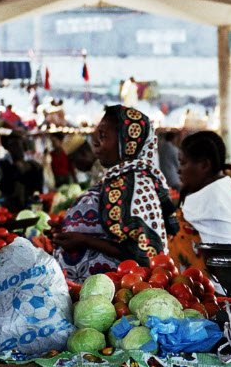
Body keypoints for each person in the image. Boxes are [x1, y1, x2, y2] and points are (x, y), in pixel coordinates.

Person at [53, 105, 177, 282]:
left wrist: (83, 240)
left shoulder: (137, 185)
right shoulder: (118, 178)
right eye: (96, 135)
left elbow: (142, 251)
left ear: (127, 142)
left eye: (102, 136)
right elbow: (112, 229)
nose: (95, 142)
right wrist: (68, 229)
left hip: (124, 289)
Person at [168, 131, 231, 270]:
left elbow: (228, 266)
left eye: (183, 163)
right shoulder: (216, 189)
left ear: (205, 165)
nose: (179, 170)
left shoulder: (216, 203)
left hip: (208, 290)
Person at [0, 132, 43, 213]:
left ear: (24, 147)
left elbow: (38, 189)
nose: (15, 148)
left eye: (17, 145)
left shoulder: (34, 166)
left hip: (30, 207)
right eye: (11, 145)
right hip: (10, 208)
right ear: (7, 148)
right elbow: (0, 186)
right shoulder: (3, 164)